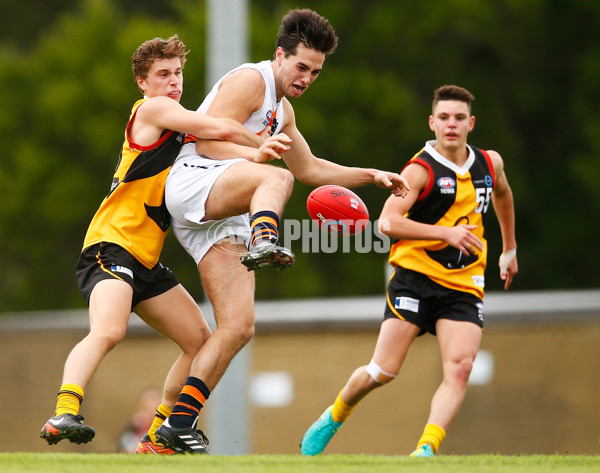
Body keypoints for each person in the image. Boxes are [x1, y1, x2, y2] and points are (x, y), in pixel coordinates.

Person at [154, 9, 409, 454]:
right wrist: (259, 154)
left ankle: (176, 425)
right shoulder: (251, 82)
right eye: (301, 66)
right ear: (279, 55)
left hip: (223, 211)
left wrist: (372, 175)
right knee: (276, 178)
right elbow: (207, 141)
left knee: (238, 327)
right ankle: (265, 239)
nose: (307, 77)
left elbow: (310, 168)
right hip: (194, 179)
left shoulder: (283, 111)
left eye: (315, 71)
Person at [39, 34, 282, 453]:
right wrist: (260, 144)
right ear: (142, 83)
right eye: (163, 74)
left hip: (146, 261)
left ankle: (156, 437)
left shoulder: (177, 122)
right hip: (111, 246)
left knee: (201, 342)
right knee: (110, 331)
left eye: (178, 73)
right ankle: (64, 409)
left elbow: (213, 141)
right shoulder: (155, 110)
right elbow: (218, 126)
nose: (174, 82)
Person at [300, 84, 518, 457]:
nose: (452, 125)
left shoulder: (489, 162)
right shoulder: (420, 170)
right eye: (445, 118)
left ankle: (426, 450)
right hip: (415, 277)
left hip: (465, 282)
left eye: (459, 118)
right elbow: (386, 223)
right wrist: (444, 233)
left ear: (471, 123)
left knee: (461, 368)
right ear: (432, 122)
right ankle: (334, 415)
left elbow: (502, 194)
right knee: (383, 371)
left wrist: (509, 248)